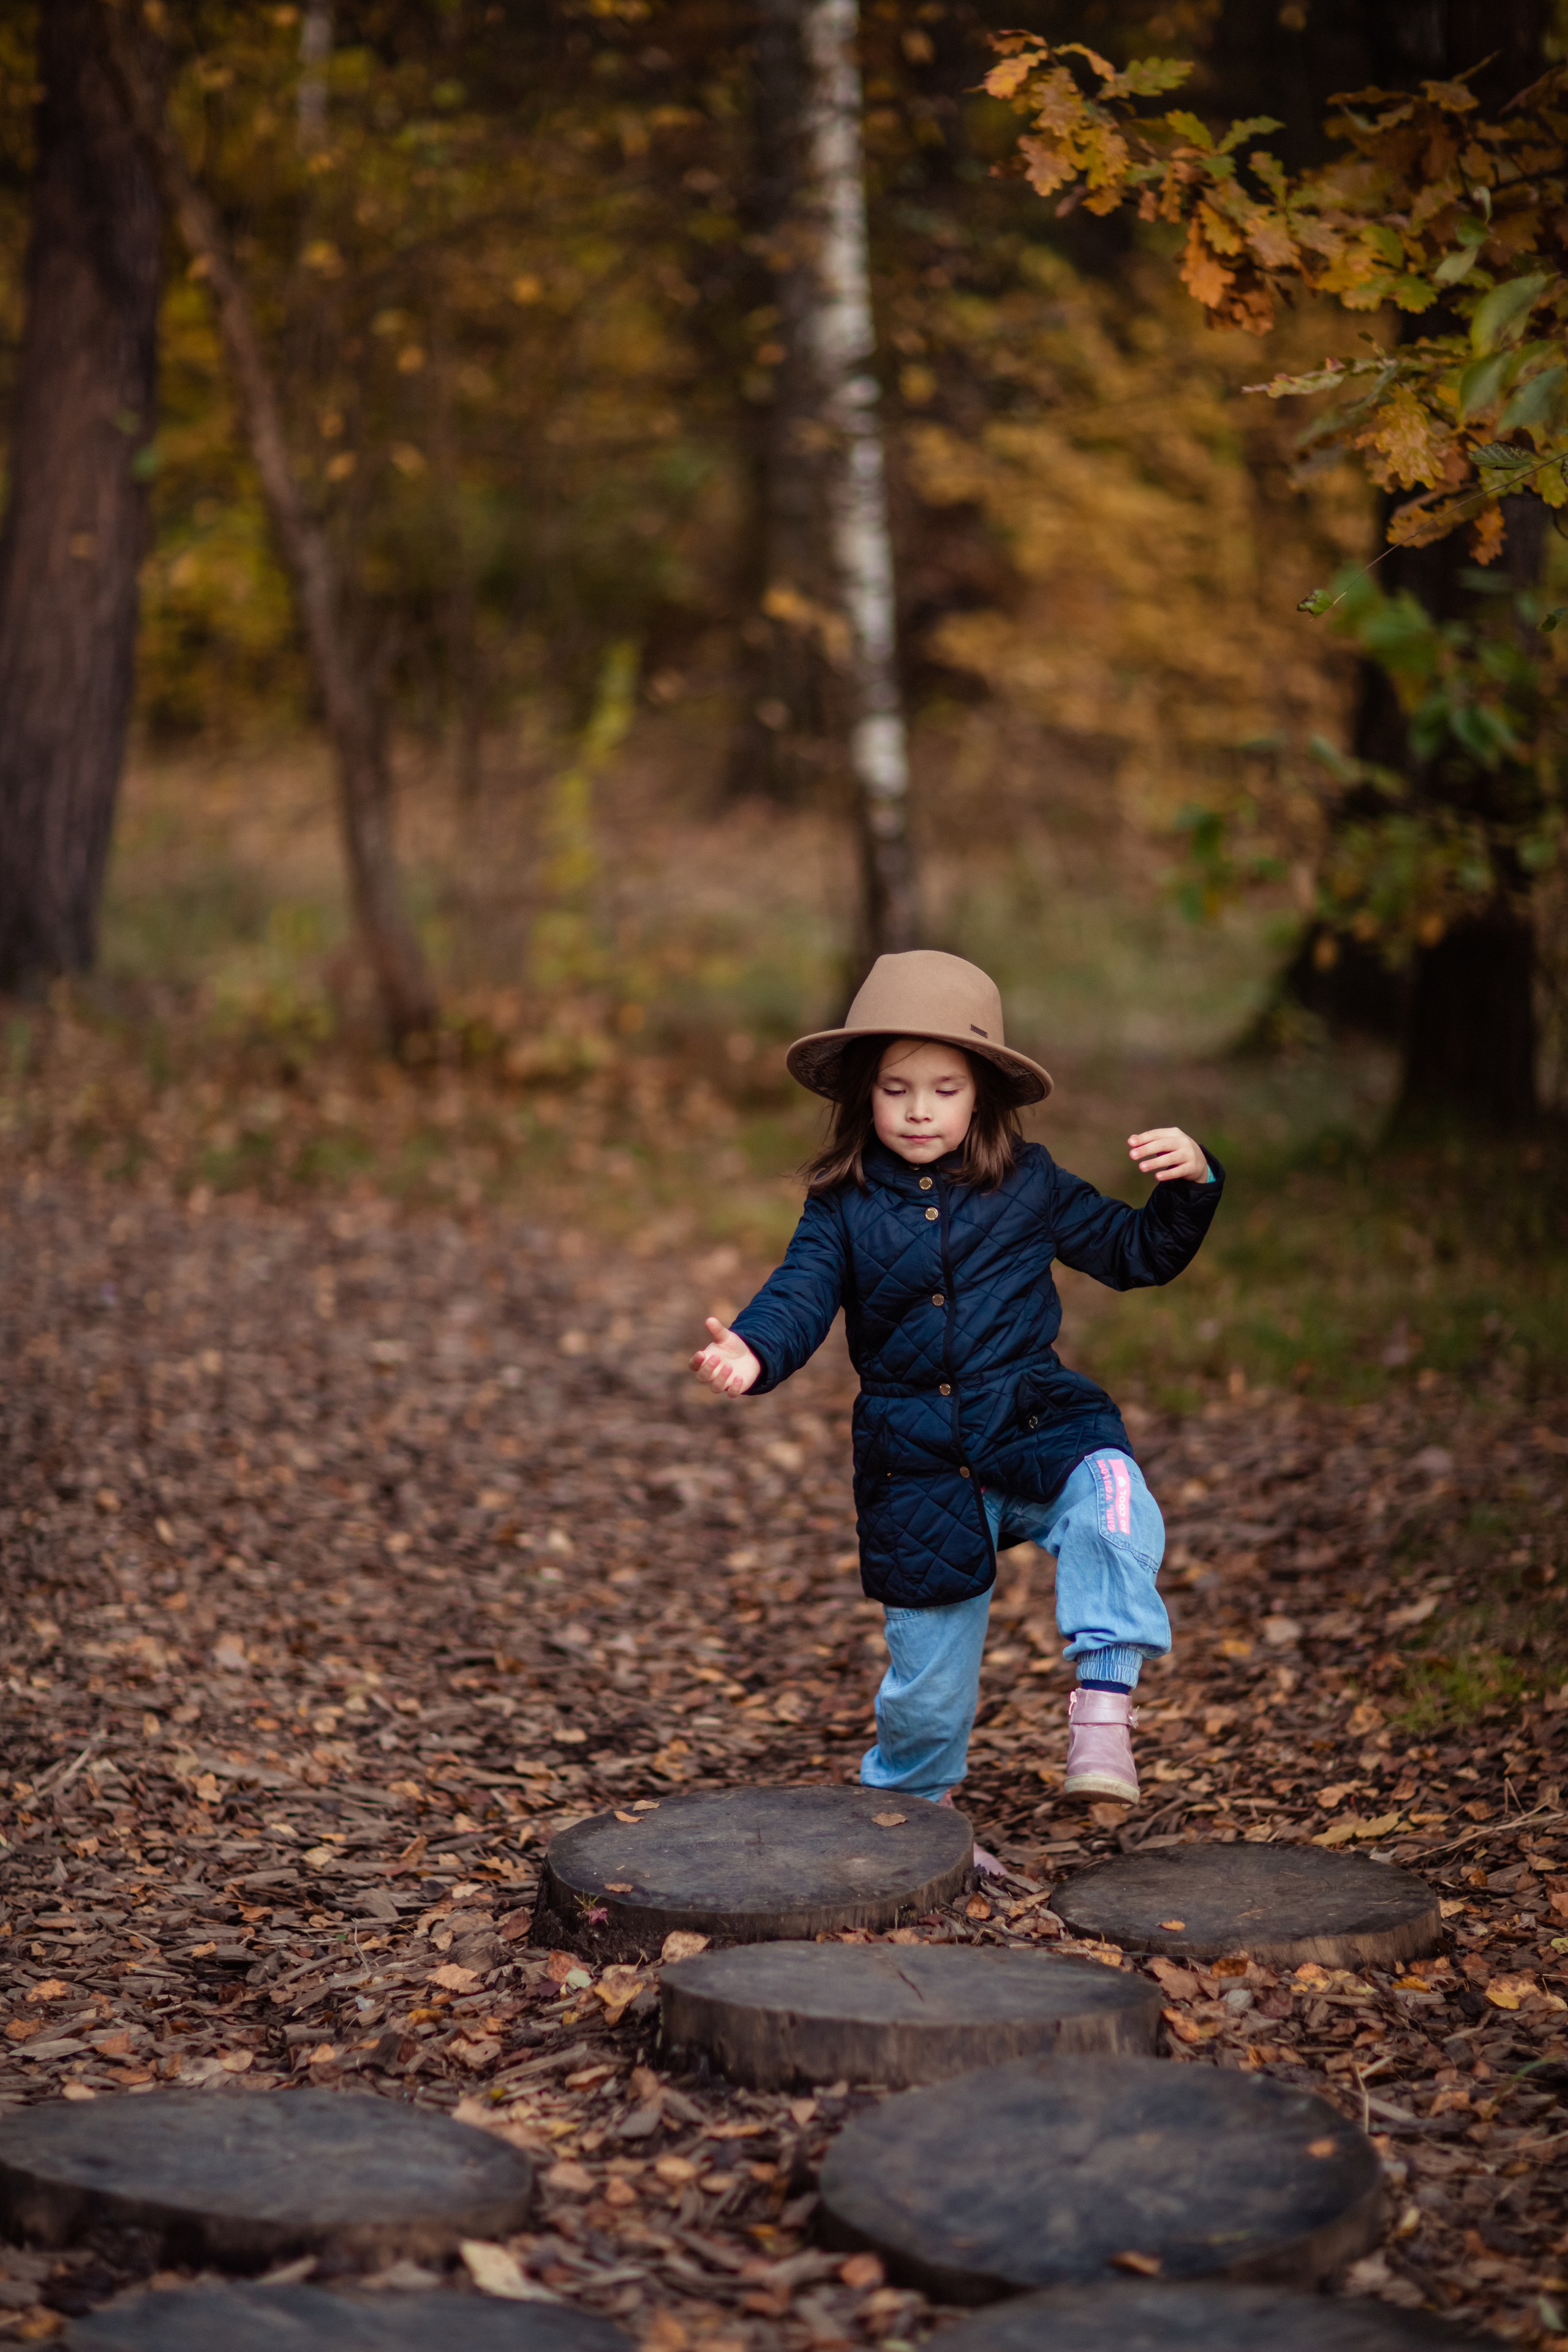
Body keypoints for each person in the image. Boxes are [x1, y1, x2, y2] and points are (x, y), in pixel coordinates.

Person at [689, 950, 1223, 1856]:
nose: (921, 1110)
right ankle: (906, 1812)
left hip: (1035, 1420)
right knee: (927, 1692)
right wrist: (754, 1346)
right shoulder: (843, 1204)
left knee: (1115, 1502)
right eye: (897, 1089)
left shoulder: (1032, 1182)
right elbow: (801, 1291)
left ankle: (1103, 1706)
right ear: (866, 1095)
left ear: (984, 1095)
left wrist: (1191, 1183)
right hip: (918, 1459)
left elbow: (1137, 1254)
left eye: (944, 1088)